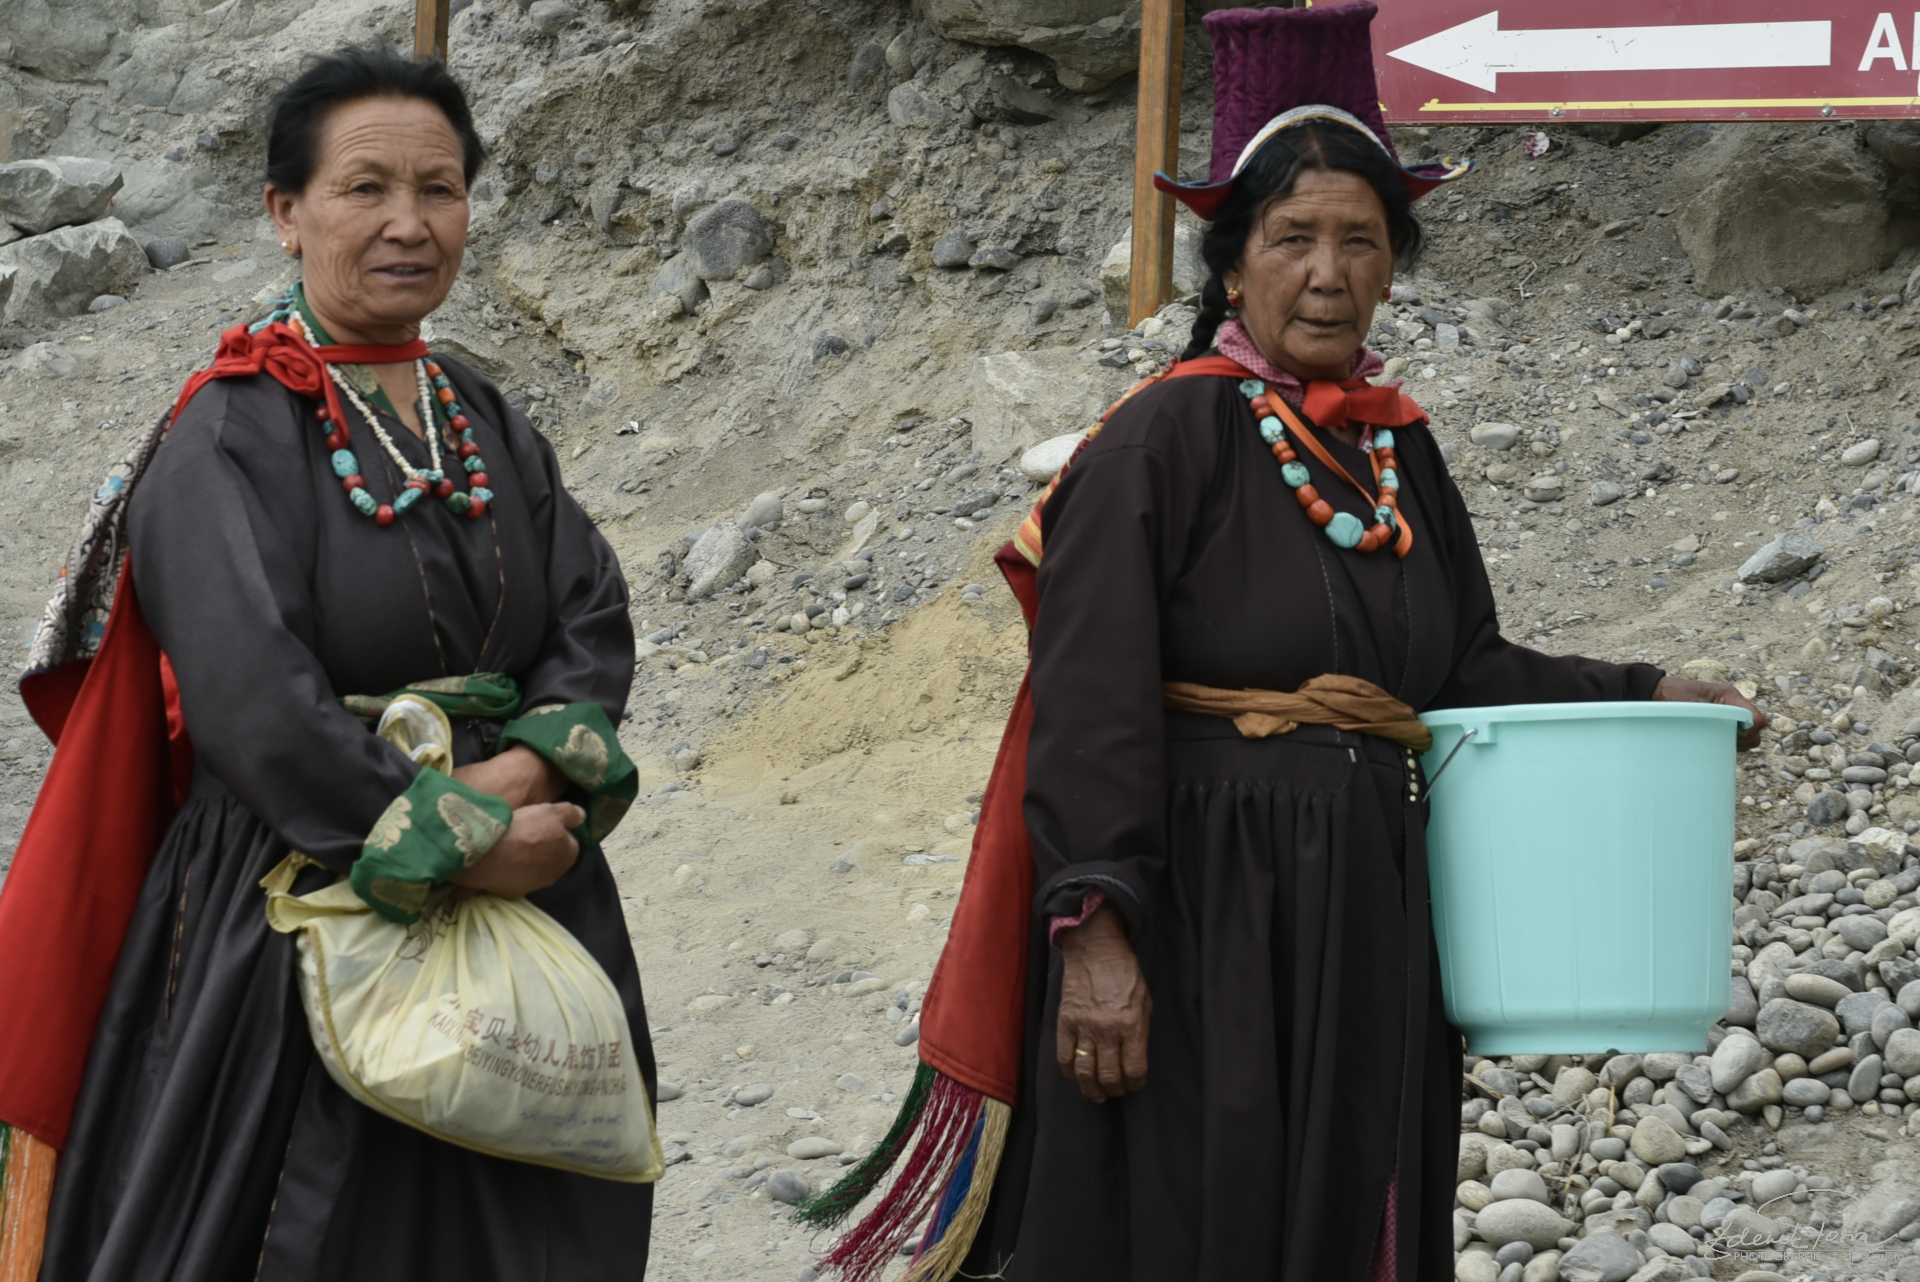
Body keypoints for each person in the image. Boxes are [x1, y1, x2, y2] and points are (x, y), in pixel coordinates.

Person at [793, 6, 1764, 1281]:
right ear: (1232, 262)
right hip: (1202, 911)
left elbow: (1460, 667)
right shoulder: (1161, 440)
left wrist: (1644, 692)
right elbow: (1088, 701)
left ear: (1394, 265)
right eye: (1293, 236)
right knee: (1196, 1215)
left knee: (1348, 1204)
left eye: (1360, 240)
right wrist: (1094, 934)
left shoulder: (1395, 446)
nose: (1328, 270)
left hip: (1363, 906)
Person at [4, 47, 654, 1280]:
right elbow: (257, 703)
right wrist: (458, 836)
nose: (410, 223)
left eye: (441, 188)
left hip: (526, 870)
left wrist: (525, 773)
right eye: (366, 189)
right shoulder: (223, 434)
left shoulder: (481, 412)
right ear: (285, 212)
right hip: (304, 893)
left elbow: (589, 608)